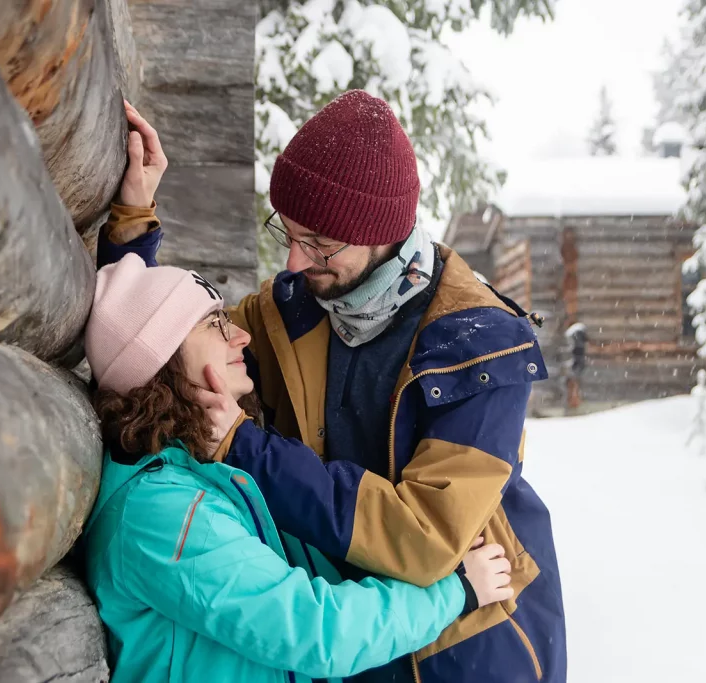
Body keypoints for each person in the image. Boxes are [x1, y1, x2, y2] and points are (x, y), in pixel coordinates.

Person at [101, 93, 567, 683]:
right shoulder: (296, 309)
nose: (295, 261)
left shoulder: (479, 349)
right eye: (287, 233)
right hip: (353, 641)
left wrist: (246, 449)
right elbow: (156, 343)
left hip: (467, 646)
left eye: (320, 242)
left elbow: (425, 539)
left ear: (381, 233)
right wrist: (133, 222)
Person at [79, 252, 515, 683]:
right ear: (162, 361)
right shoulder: (164, 515)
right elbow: (319, 632)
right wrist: (453, 593)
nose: (240, 337)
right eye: (214, 324)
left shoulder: (199, 468)